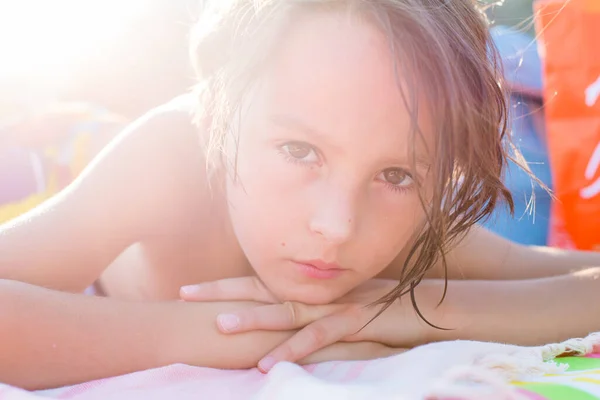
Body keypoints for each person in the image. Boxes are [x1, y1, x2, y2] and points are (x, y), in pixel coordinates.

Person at [1, 0, 600, 391]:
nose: (337, 226)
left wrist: (401, 312)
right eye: (298, 151)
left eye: (397, 174)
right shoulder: (172, 157)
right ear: (218, 116)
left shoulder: (406, 218)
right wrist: (223, 335)